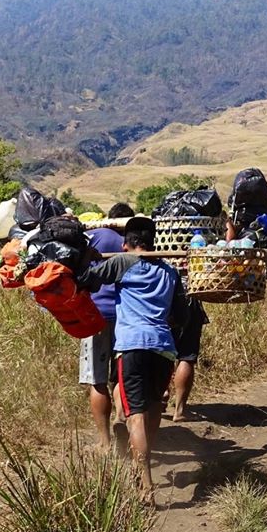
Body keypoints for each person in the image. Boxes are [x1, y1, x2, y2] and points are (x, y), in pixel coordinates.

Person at [78, 216, 189, 504]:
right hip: (164, 348)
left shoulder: (122, 262)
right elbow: (181, 316)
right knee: (153, 410)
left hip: (131, 348)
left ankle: (146, 486)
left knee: (135, 415)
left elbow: (88, 282)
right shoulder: (170, 271)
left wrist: (88, 258)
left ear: (126, 243)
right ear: (153, 242)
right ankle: (142, 471)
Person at [78, 202, 135, 449]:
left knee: (97, 380)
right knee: (121, 375)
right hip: (125, 315)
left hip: (94, 315)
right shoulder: (131, 245)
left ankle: (104, 441)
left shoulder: (93, 236)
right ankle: (121, 418)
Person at [171, 297, 209, 422]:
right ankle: (179, 410)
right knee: (186, 356)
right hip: (188, 300)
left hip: (161, 298)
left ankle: (161, 394)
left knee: (162, 351)